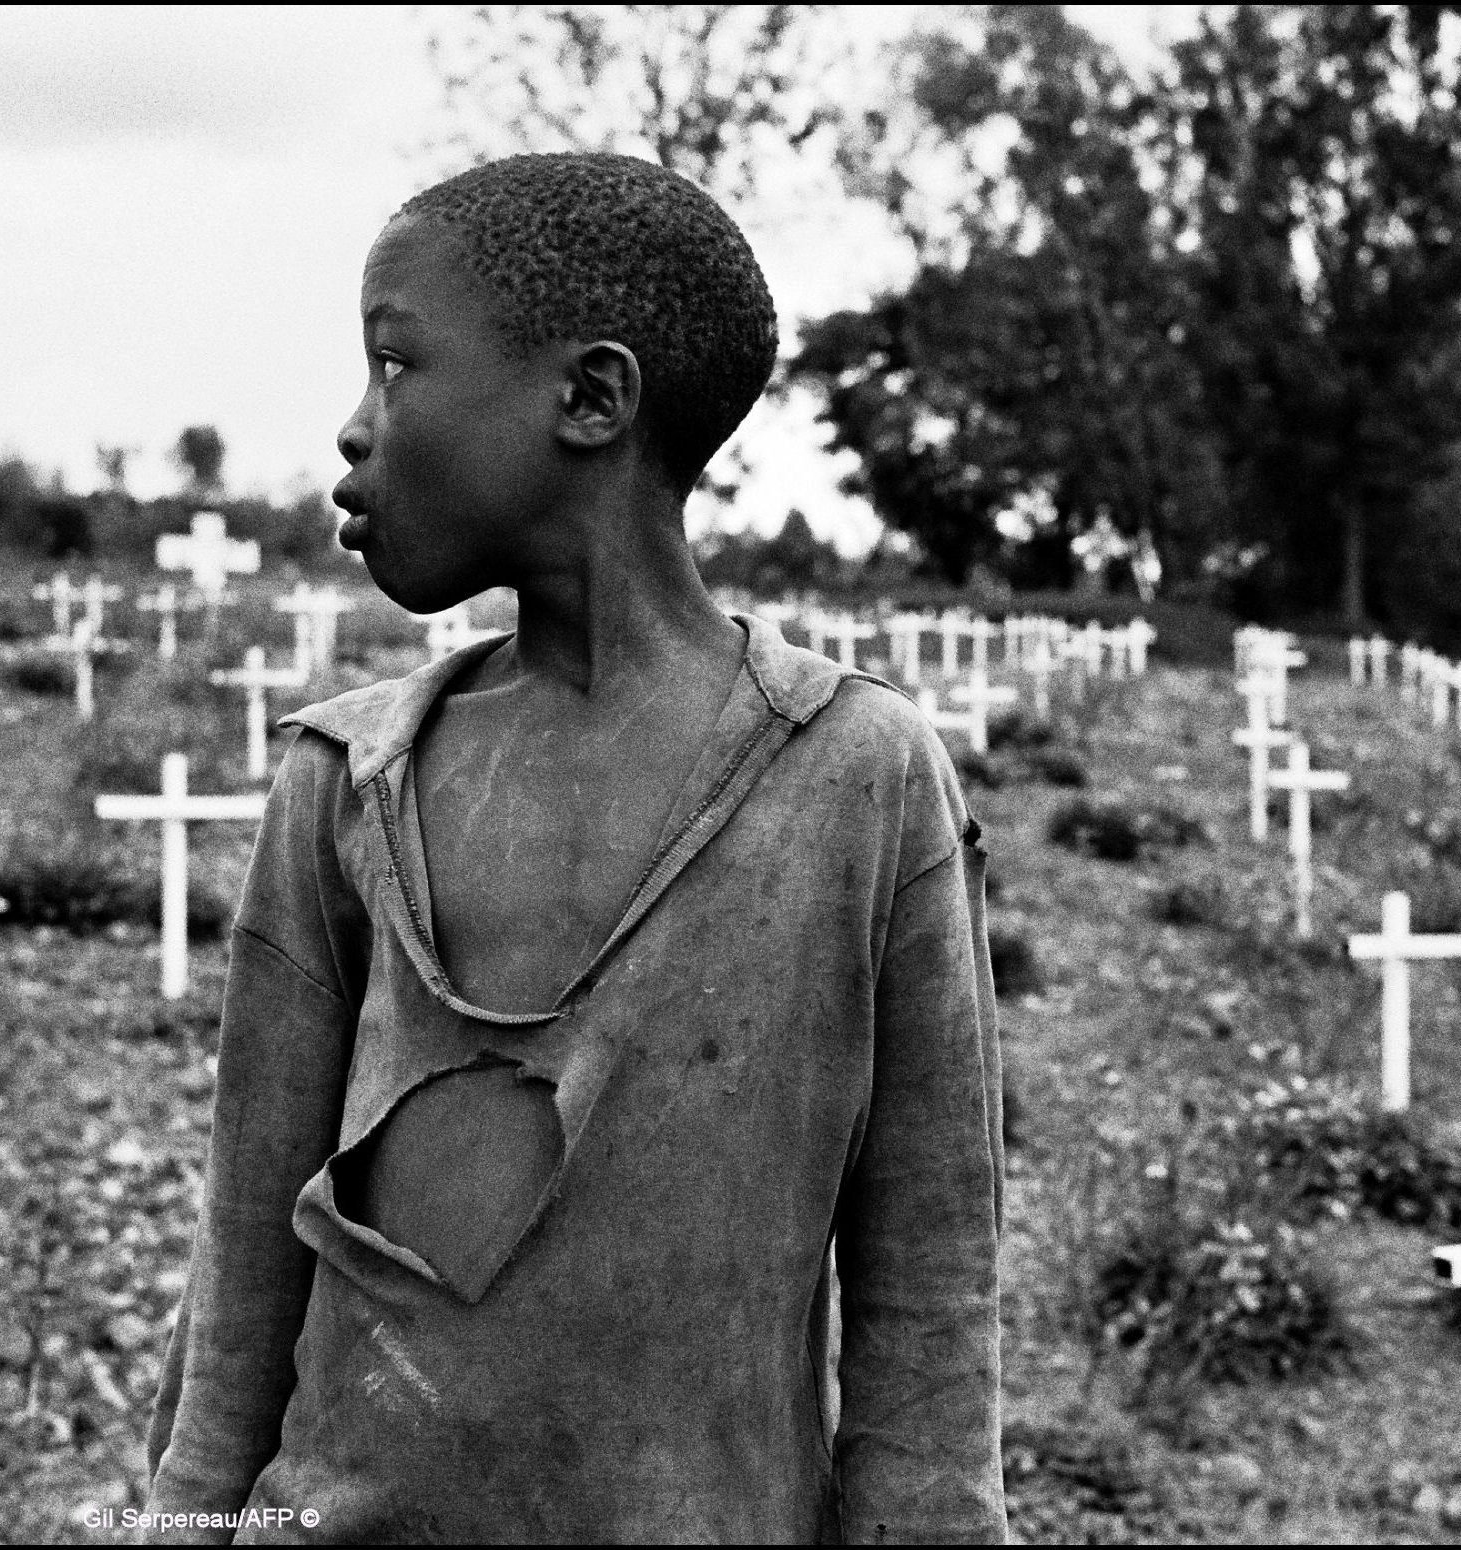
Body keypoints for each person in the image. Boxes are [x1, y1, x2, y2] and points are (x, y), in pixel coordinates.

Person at [144, 151, 1005, 1545]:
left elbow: (928, 1289)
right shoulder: (345, 780)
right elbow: (246, 1259)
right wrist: (184, 1513)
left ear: (591, 398)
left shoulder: (855, 781)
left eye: (396, 365)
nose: (357, 429)